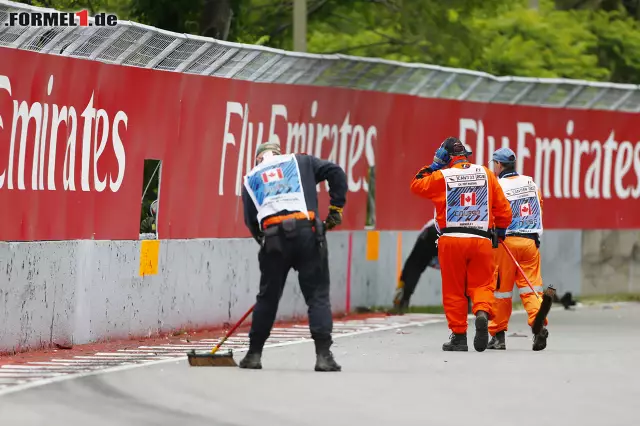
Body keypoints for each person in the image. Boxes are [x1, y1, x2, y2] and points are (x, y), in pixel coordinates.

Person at [239, 142, 348, 371]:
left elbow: (251, 221)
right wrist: (336, 208)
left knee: (267, 298)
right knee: (317, 295)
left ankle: (254, 355)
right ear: (279, 154)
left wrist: (266, 243)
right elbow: (335, 172)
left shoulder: (251, 177)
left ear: (259, 159)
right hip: (307, 231)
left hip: (273, 236)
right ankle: (323, 356)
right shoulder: (300, 161)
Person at [409, 137, 512, 352]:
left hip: (451, 239)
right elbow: (503, 211)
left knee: (454, 289)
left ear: (447, 157)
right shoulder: (486, 173)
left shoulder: (441, 176)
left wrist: (435, 165)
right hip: (481, 239)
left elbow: (416, 185)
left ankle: (458, 336)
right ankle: (482, 312)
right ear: (466, 155)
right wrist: (499, 231)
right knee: (483, 284)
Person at [487, 147, 549, 351]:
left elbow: (492, 212)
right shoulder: (531, 182)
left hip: (506, 243)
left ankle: (498, 336)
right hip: (530, 243)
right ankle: (538, 325)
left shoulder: (497, 185)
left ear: (498, 164)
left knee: (501, 293)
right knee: (532, 290)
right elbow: (539, 206)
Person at [392, 219, 440, 313]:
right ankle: (467, 304)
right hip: (454, 236)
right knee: (462, 270)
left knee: (414, 265)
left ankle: (403, 299)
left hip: (431, 233)